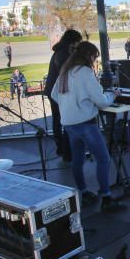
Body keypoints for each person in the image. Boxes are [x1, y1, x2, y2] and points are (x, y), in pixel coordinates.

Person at [50, 41, 125, 211]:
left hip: (69, 124)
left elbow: (55, 95)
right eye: (94, 57)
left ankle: (83, 193)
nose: (94, 60)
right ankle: (106, 198)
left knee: (78, 159)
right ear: (88, 56)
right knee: (103, 159)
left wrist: (71, 104)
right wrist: (112, 94)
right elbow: (101, 102)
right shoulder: (84, 72)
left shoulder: (65, 71)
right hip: (85, 124)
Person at [44, 29, 83, 162]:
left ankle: (62, 148)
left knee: (58, 119)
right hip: (58, 92)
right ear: (73, 41)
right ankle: (65, 149)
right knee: (64, 119)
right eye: (78, 41)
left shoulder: (60, 51)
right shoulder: (63, 53)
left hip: (54, 90)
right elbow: (66, 73)